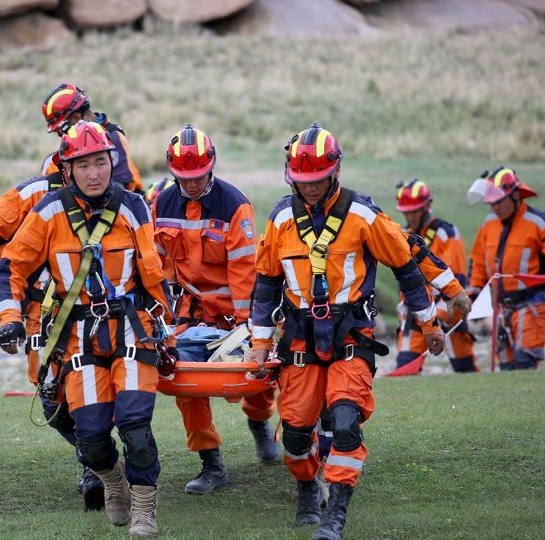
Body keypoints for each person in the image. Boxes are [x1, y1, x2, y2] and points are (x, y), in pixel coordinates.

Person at [249, 124, 447, 539]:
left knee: (344, 422)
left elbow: (407, 270)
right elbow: (266, 285)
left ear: (334, 172)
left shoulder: (362, 215)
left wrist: (429, 323)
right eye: (303, 181)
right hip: (299, 339)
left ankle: (335, 513)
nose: (312, 188)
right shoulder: (280, 218)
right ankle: (307, 485)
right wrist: (260, 344)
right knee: (297, 435)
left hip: (351, 336)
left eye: (318, 179)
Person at [0, 120, 174, 537]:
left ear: (112, 163)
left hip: (132, 329)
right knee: (90, 435)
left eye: (100, 162)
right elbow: (11, 270)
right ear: (67, 169)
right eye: (83, 165)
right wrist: (10, 319)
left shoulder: (134, 206)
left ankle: (145, 508)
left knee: (135, 426)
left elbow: (153, 276)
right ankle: (113, 480)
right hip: (78, 337)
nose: (93, 173)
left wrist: (168, 332)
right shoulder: (48, 211)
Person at [0, 146, 108, 512]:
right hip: (41, 310)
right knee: (50, 400)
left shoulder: (112, 194)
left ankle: (98, 467)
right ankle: (94, 454)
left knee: (103, 387)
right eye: (77, 165)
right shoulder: (35, 193)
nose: (88, 173)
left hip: (98, 309)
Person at [151, 124, 278, 495]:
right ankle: (211, 463)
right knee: (185, 382)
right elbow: (157, 266)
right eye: (184, 177)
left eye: (198, 176)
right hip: (190, 312)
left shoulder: (234, 204)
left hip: (235, 310)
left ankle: (258, 424)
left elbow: (244, 271)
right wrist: (161, 319)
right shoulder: (163, 204)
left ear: (212, 166)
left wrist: (247, 328)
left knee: (255, 375)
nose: (191, 184)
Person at [467, 166, 545, 370]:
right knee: (507, 368)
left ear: (516, 195)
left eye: (499, 202)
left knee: (523, 363)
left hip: (533, 305)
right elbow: (479, 261)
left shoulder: (539, 223)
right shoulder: (489, 223)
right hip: (502, 308)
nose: (495, 208)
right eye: (491, 203)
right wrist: (472, 291)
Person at [394, 178, 478, 373]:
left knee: (464, 367)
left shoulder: (446, 233)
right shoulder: (403, 235)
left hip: (448, 310)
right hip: (416, 312)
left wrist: (439, 313)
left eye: (414, 211)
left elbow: (455, 277)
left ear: (427, 206)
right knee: (405, 368)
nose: (411, 216)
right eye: (406, 212)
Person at [39, 83, 145, 195]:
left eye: (61, 130)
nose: (61, 136)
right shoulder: (53, 160)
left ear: (75, 119)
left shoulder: (111, 138)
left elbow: (115, 192)